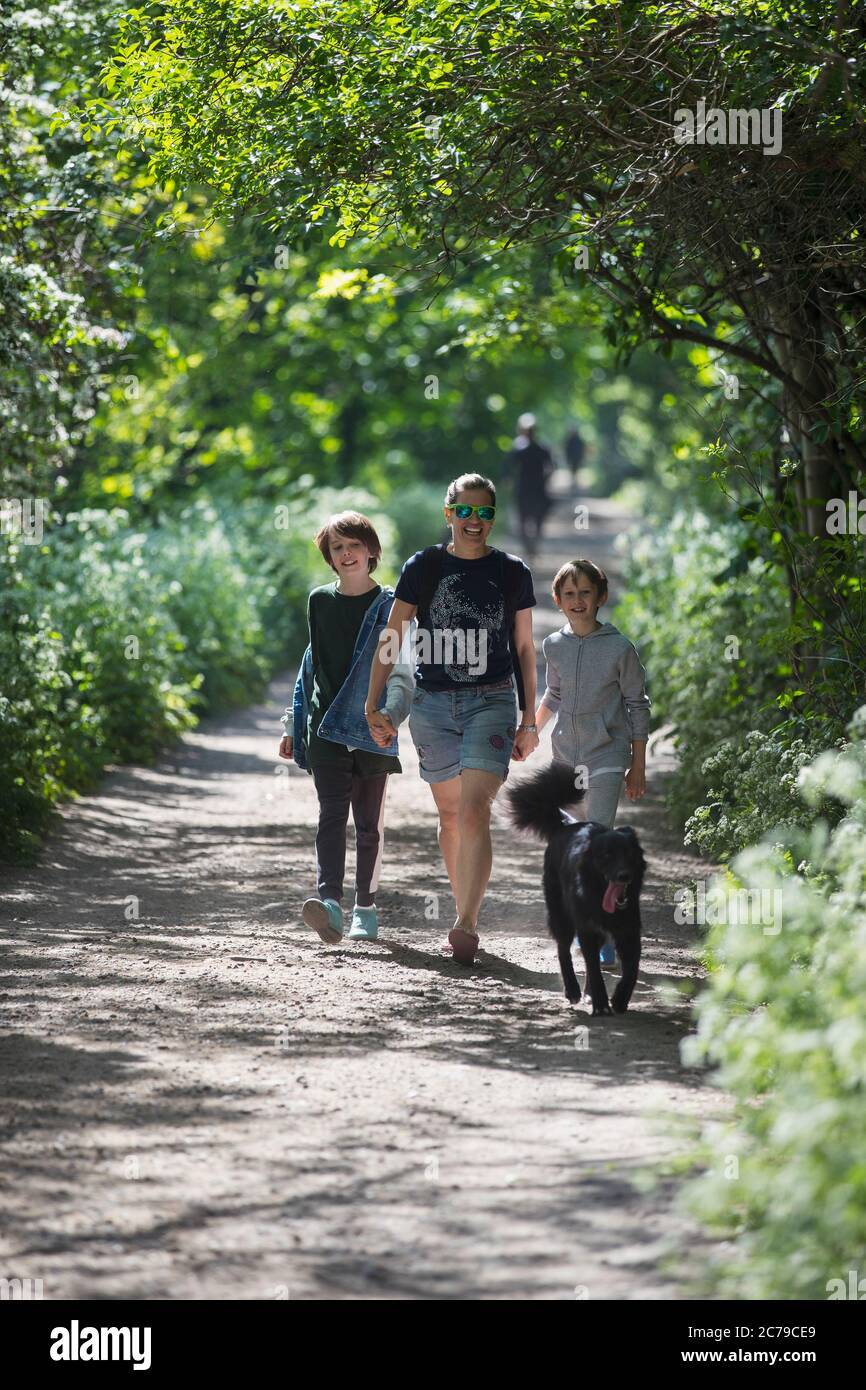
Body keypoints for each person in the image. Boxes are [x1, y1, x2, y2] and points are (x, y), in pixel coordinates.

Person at [365, 473, 539, 965]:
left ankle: (465, 922)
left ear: (493, 518)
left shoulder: (512, 571)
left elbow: (524, 648)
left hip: (493, 700)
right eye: (465, 511)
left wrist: (529, 718)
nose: (474, 521)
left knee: (473, 809)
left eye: (484, 513)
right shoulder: (425, 566)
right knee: (448, 814)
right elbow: (392, 635)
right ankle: (464, 908)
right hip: (433, 704)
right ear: (449, 515)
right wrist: (372, 704)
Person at [279, 511, 413, 946]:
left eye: (354, 544)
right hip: (326, 731)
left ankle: (366, 910)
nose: (347, 553)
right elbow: (309, 666)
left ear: (371, 550)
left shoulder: (392, 606)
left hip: (373, 731)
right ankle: (330, 903)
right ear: (329, 558)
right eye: (337, 547)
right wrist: (292, 723)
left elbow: (401, 670)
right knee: (331, 817)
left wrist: (389, 717)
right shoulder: (319, 600)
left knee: (369, 825)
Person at [534, 559, 650, 959]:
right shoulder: (554, 646)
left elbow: (638, 705)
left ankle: (604, 934)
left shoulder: (620, 648)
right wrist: (530, 729)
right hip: (565, 757)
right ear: (558, 599)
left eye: (586, 592)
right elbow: (554, 695)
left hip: (608, 754)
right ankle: (586, 921)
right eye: (569, 593)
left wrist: (638, 764)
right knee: (574, 844)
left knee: (598, 840)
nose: (578, 600)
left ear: (601, 596)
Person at [507, 413, 555, 558]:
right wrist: (546, 479)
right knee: (536, 518)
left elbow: (508, 468)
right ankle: (531, 545)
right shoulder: (541, 447)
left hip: (525, 488)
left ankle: (530, 546)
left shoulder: (518, 448)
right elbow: (551, 467)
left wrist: (508, 480)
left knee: (525, 519)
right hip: (537, 488)